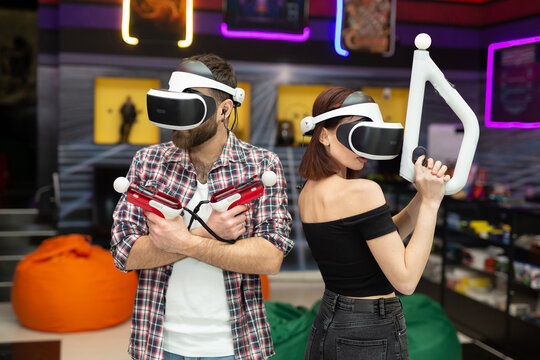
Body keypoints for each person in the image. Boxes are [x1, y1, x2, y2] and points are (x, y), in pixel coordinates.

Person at [111, 54, 293, 360]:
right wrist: (208, 233)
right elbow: (124, 253)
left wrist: (182, 241)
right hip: (159, 344)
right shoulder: (148, 163)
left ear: (224, 110)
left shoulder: (261, 165)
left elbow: (269, 258)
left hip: (236, 346)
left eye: (190, 108)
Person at [297, 87, 451, 360]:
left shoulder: (308, 192)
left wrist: (422, 194)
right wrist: (431, 204)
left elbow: (376, 238)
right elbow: (406, 281)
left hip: (329, 322)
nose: (363, 146)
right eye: (355, 134)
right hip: (368, 332)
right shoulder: (362, 192)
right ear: (323, 135)